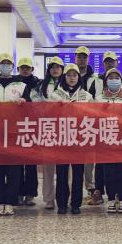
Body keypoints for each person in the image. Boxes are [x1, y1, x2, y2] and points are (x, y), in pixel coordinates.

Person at [0, 53, 31, 216]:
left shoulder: (21, 86)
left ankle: (10, 202)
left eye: (8, 63)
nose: (6, 66)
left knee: (14, 170)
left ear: (12, 66)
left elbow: (30, 107)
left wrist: (24, 103)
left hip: (14, 133)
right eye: (3, 63)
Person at [50, 63, 94, 214]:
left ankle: (76, 204)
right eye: (68, 75)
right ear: (64, 77)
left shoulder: (87, 96)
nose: (72, 78)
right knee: (61, 173)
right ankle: (62, 204)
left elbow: (93, 115)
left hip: (79, 138)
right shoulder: (55, 95)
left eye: (75, 75)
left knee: (78, 173)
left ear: (79, 77)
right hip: (61, 138)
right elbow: (49, 114)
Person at [96, 68, 122, 213]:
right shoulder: (99, 99)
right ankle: (111, 199)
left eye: (116, 78)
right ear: (106, 81)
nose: (113, 80)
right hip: (106, 140)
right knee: (108, 172)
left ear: (121, 81)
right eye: (110, 78)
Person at [32, 56, 64, 209]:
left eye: (58, 67)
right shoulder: (40, 85)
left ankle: (64, 196)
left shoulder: (68, 83)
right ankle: (49, 198)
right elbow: (33, 101)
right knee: (48, 166)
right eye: (52, 67)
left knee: (65, 168)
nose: (55, 70)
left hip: (65, 128)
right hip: (48, 128)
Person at [74, 45, 103, 202]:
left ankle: (91, 188)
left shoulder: (95, 80)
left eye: (84, 56)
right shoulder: (69, 76)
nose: (81, 59)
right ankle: (74, 190)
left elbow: (98, 99)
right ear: (75, 58)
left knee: (90, 158)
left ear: (88, 59)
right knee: (74, 159)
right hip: (72, 124)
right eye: (79, 56)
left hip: (90, 123)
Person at [16, 57, 40, 206]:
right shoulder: (13, 83)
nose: (25, 70)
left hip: (33, 125)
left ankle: (30, 194)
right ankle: (18, 192)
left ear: (32, 69)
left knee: (31, 163)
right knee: (17, 162)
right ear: (18, 69)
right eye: (22, 67)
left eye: (27, 67)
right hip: (16, 125)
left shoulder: (39, 84)